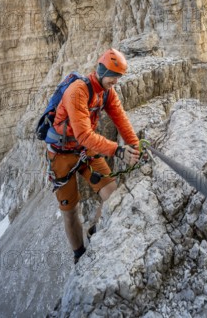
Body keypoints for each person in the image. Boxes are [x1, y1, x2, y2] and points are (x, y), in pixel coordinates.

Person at [46, 48, 140, 263]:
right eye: (113, 76)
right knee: (70, 211)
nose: (115, 81)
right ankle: (79, 255)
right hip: (61, 155)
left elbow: (120, 118)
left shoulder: (106, 92)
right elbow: (82, 134)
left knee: (111, 193)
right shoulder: (78, 91)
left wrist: (134, 145)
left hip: (84, 150)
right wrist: (117, 150)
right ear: (101, 70)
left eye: (119, 77)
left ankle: (96, 233)